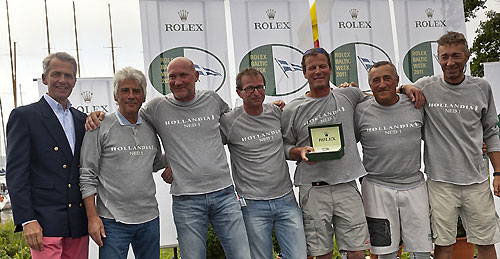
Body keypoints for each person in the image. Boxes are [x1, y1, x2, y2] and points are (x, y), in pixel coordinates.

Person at [86, 57, 251, 259]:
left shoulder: (212, 99)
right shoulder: (154, 109)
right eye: (172, 76)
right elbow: (125, 119)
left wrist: (272, 109)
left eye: (183, 75)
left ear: (196, 77)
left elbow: (234, 124)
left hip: (223, 194)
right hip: (184, 201)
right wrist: (95, 116)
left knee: (242, 255)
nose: (178, 81)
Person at [402, 31, 500, 259]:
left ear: (467, 56)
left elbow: (492, 132)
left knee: (486, 243)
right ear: (438, 59)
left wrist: (498, 173)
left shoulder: (482, 87)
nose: (450, 62)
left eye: (456, 55)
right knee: (443, 245)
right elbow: (396, 92)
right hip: (440, 183)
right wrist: (406, 88)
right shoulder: (425, 86)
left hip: (476, 181)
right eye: (444, 57)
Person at [6, 52, 89, 258]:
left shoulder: (82, 120)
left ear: (74, 81)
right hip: (43, 224)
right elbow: (16, 174)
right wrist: (27, 220)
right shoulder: (24, 116)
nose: (62, 80)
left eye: (68, 76)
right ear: (45, 78)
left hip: (77, 222)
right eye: (56, 74)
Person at [219, 68, 307, 259]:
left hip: (286, 199)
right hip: (252, 204)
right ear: (239, 92)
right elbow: (209, 148)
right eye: (249, 88)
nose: (256, 92)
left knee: (299, 255)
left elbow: (285, 146)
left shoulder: (275, 112)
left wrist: (298, 152)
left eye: (260, 87)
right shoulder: (229, 121)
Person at [79, 67, 165, 258]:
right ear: (116, 96)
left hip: (149, 218)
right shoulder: (99, 126)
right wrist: (92, 218)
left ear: (143, 97)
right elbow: (87, 175)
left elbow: (155, 162)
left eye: (136, 91)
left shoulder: (151, 127)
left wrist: (176, 163)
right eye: (125, 91)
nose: (131, 96)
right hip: (112, 221)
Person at [355, 61, 431, 259]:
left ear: (397, 81)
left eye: (387, 78)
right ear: (369, 85)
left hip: (414, 186)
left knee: (421, 252)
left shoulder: (416, 103)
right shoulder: (360, 111)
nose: (382, 84)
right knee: (385, 254)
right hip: (376, 189)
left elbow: (441, 134)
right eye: (376, 80)